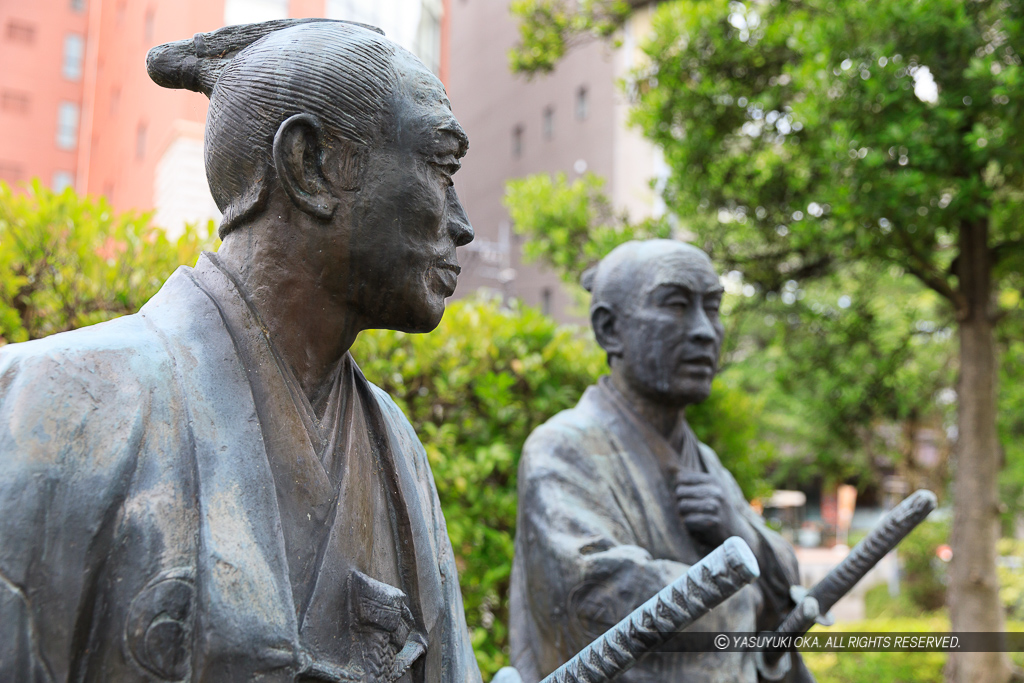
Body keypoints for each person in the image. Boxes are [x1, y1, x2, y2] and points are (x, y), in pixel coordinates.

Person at [0, 19, 482, 683]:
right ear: (310, 165)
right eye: (440, 167)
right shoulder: (50, 404)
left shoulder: (397, 451)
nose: (462, 224)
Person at [508, 240, 813, 683]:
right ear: (609, 329)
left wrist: (738, 529)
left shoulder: (703, 459)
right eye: (675, 305)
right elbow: (595, 599)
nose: (705, 330)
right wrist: (748, 589)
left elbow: (787, 582)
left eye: (713, 308)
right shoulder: (561, 448)